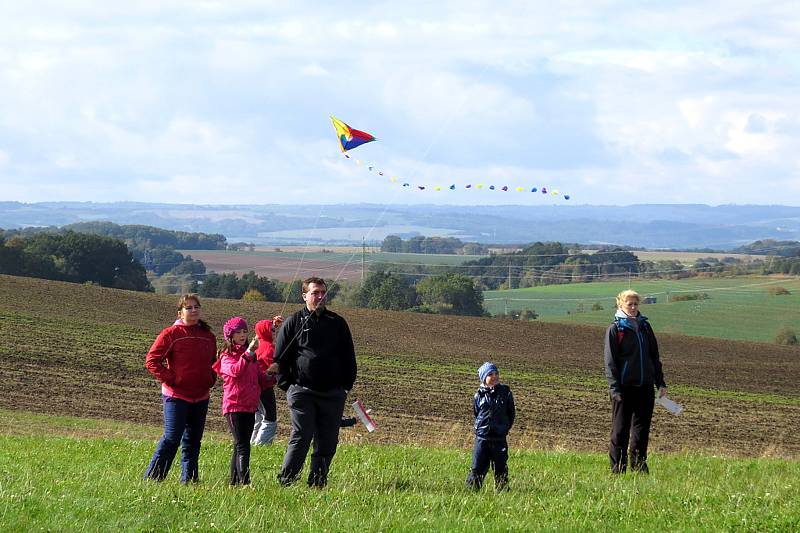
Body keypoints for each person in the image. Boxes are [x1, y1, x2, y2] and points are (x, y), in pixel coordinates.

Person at [274, 276, 357, 488]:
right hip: (302, 391)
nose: (320, 297)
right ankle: (287, 480)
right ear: (304, 296)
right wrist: (287, 385)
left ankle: (318, 482)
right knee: (302, 434)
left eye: (323, 293)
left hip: (333, 393)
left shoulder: (337, 323)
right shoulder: (294, 322)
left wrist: (345, 387)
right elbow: (280, 357)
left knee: (328, 440)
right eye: (315, 293)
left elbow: (348, 356)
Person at [144, 294, 217, 483]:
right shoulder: (170, 334)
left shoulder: (208, 336)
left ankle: (190, 481)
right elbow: (152, 361)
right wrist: (173, 379)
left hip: (201, 397)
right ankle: (153, 479)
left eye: (196, 307)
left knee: (193, 442)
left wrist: (210, 378)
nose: (194, 311)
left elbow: (213, 363)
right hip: (176, 396)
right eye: (189, 308)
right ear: (180, 312)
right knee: (171, 439)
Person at [604, 289, 668, 474]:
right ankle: (618, 470)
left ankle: (639, 468)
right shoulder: (615, 329)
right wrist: (614, 390)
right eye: (629, 304)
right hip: (623, 388)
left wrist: (660, 383)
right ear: (620, 305)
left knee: (641, 431)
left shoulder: (645, 327)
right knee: (620, 431)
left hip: (645, 387)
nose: (633, 307)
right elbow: (610, 362)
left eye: (635, 304)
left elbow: (654, 357)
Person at [213, 317, 270, 486]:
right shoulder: (226, 356)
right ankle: (245, 483)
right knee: (243, 445)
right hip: (234, 406)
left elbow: (261, 379)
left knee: (239, 445)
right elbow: (235, 371)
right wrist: (249, 353)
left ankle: (234, 483)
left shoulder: (251, 356)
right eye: (238, 332)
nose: (243, 335)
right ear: (230, 335)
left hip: (250, 406)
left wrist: (272, 374)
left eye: (245, 331)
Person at [466, 362, 516, 491]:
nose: (494, 376)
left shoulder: (505, 393)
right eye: (490, 374)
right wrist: (481, 428)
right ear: (483, 378)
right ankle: (472, 491)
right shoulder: (478, 395)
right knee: (477, 466)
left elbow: (511, 414)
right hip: (482, 438)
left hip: (499, 438)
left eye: (496, 373)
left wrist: (503, 428)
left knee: (500, 467)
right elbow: (476, 413)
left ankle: (502, 491)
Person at [250, 317, 284, 446]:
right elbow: (274, 365)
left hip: (255, 387)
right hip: (264, 388)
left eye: (275, 330)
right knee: (270, 418)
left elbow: (263, 330)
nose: (275, 332)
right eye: (272, 330)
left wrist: (273, 324)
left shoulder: (259, 342)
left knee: (259, 417)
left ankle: (253, 442)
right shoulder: (269, 347)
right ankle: (262, 444)